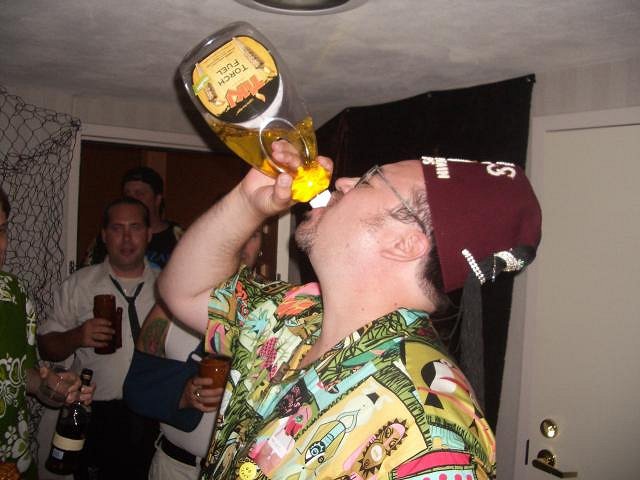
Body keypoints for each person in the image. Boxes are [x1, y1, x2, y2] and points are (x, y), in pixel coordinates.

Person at [158, 141, 542, 479]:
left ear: (404, 243)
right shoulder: (294, 314)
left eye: (370, 181)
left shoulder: (431, 436)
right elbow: (186, 292)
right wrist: (247, 200)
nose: (342, 182)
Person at [124, 228, 263, 480]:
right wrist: (183, 395)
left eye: (252, 234)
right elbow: (135, 388)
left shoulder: (279, 309)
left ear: (262, 245)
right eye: (236, 228)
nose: (241, 240)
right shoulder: (171, 307)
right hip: (175, 469)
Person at [38, 197, 159, 480]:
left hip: (152, 417)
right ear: (104, 235)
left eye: (135, 227)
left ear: (149, 234)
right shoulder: (80, 284)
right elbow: (46, 346)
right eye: (117, 228)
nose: (126, 238)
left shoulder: (168, 287)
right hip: (95, 414)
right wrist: (78, 336)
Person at [0, 187, 94, 480]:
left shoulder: (14, 294)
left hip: (13, 464)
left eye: (1, 230)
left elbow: (21, 375)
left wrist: (52, 386)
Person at [82, 166, 184, 269]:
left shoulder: (179, 238)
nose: (132, 199)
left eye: (139, 194)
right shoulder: (110, 237)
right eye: (127, 194)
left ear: (157, 200)